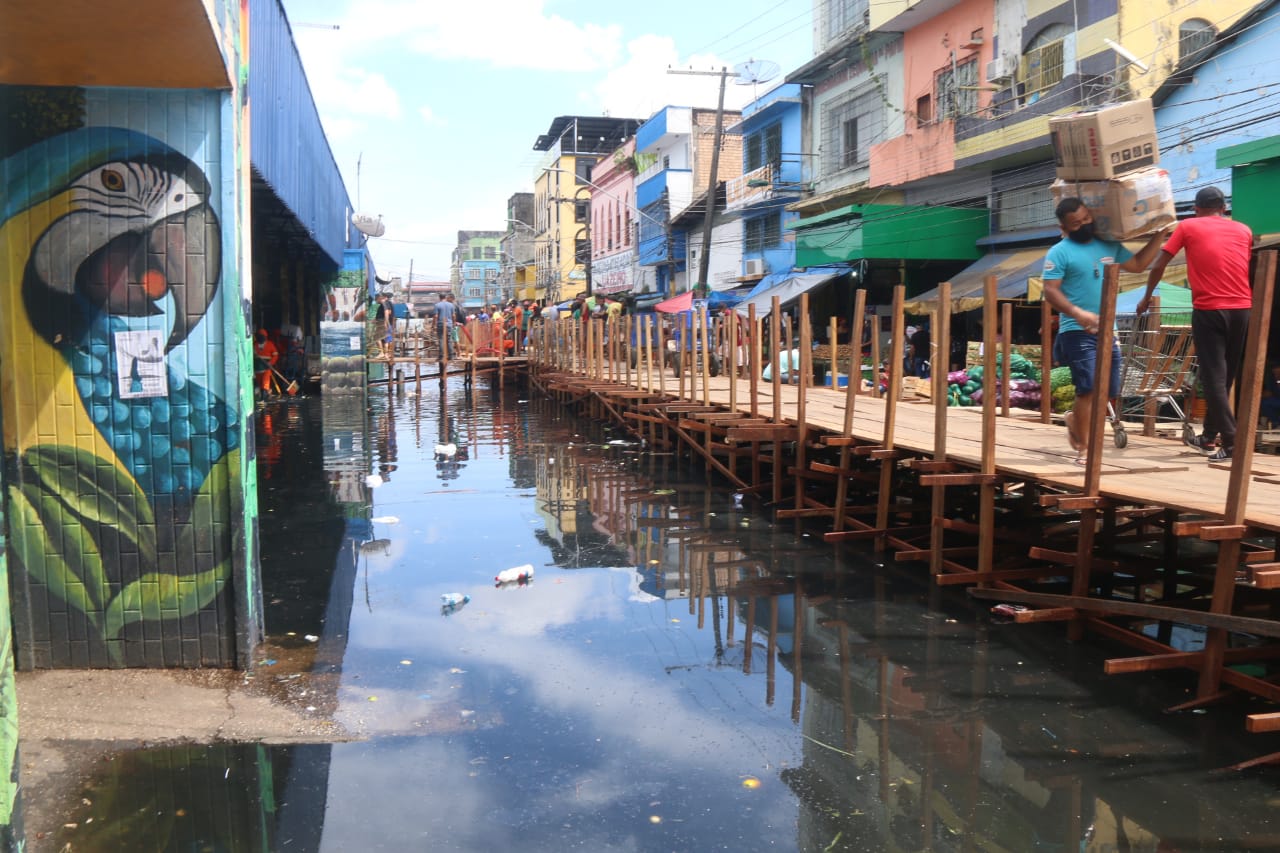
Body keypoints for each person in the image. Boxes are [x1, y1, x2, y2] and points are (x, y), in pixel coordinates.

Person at [1042, 197, 1167, 461]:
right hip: (1076, 330)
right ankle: (1084, 449)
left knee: (1107, 392)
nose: (1084, 224)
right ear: (1064, 227)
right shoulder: (1059, 252)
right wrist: (1077, 313)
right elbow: (1050, 291)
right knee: (1088, 388)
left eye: (1086, 218)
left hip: (1109, 330)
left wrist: (1159, 235)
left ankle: (1075, 421)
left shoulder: (1108, 245)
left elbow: (1138, 266)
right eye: (1076, 223)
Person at [1138, 185, 1254, 462]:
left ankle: (1232, 443)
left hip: (1209, 309)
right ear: (1223, 208)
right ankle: (1208, 437)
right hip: (1242, 308)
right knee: (1225, 376)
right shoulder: (1244, 230)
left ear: (1196, 209)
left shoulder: (1188, 226)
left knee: (1213, 376)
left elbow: (1158, 265)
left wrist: (1146, 297)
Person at [253, 329, 279, 397]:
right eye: (259, 336)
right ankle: (261, 396)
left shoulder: (270, 344)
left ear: (265, 337)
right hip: (257, 370)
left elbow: (275, 355)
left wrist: (270, 363)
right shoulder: (254, 345)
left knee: (265, 384)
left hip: (266, 368)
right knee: (258, 385)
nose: (261, 338)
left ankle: (264, 395)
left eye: (262, 336)